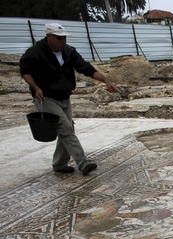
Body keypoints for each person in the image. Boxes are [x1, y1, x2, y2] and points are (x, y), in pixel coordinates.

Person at [20, 23, 121, 176]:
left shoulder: (69, 52)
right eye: (59, 38)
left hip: (64, 96)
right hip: (46, 97)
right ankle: (83, 162)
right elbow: (26, 72)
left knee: (67, 129)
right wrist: (35, 87)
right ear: (49, 37)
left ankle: (59, 164)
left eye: (64, 38)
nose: (63, 41)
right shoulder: (35, 52)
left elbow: (86, 68)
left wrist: (106, 81)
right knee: (65, 128)